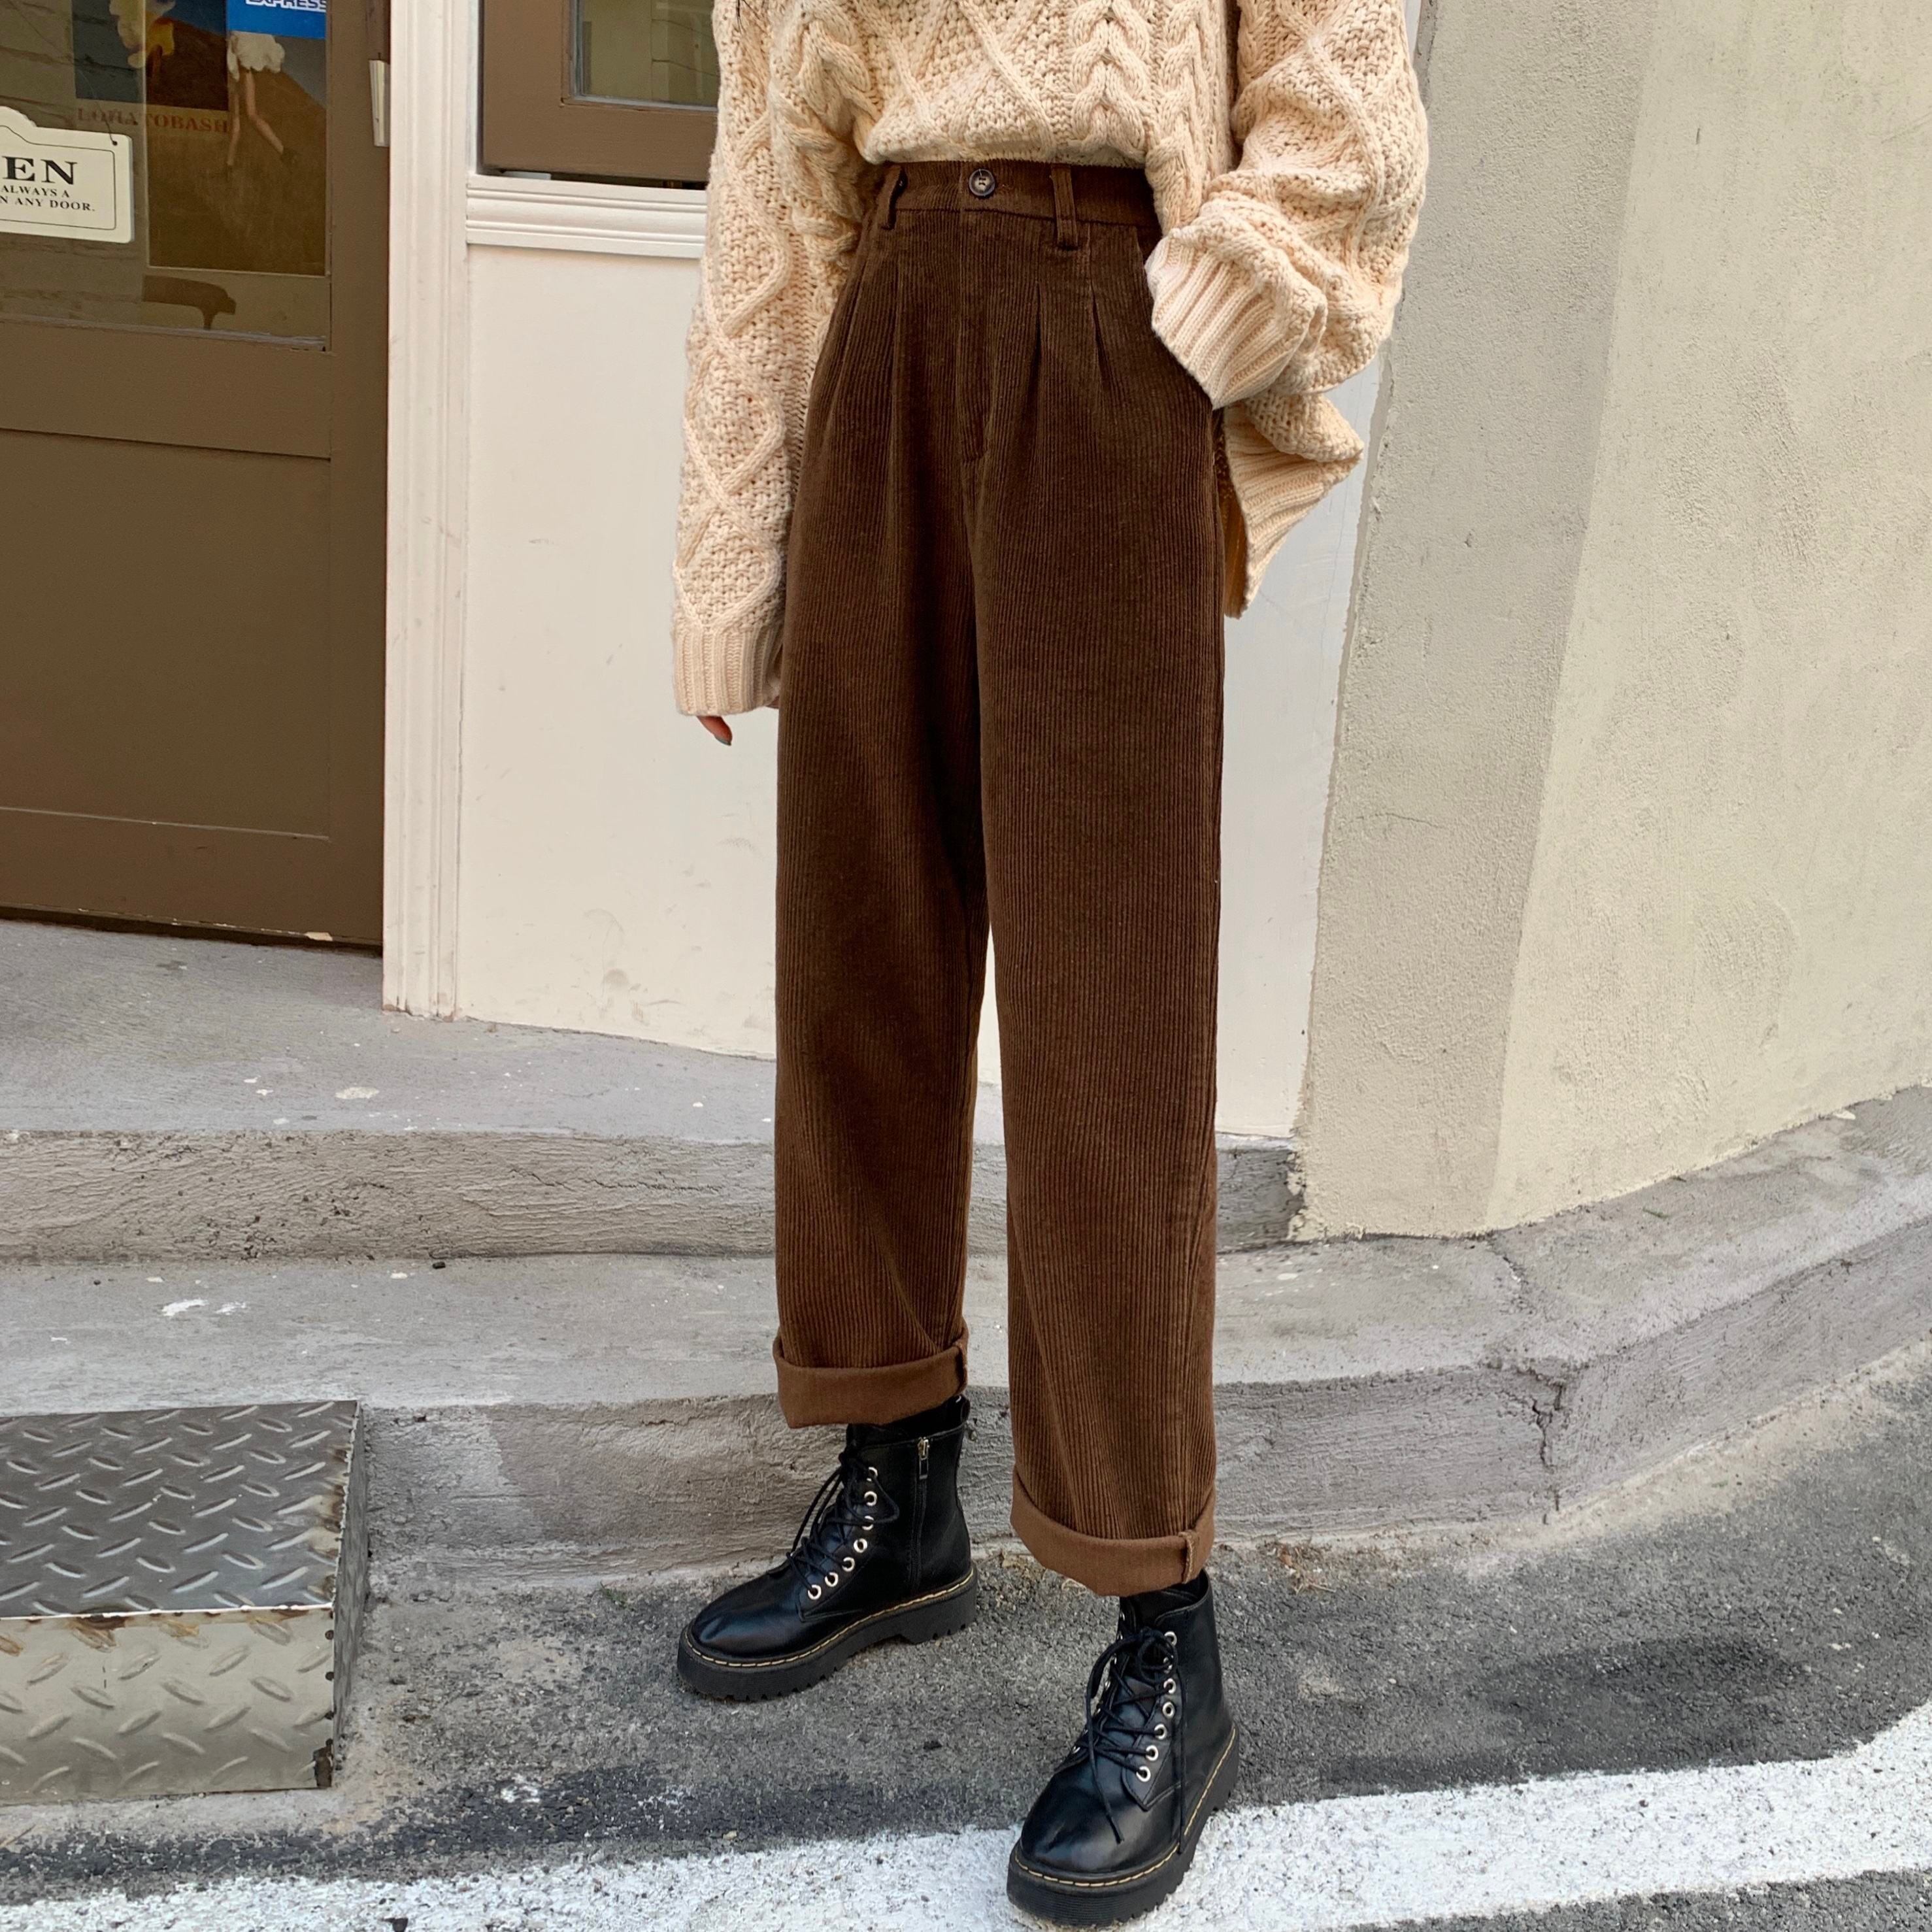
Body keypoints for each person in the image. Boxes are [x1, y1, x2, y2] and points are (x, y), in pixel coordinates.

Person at [668, 0, 1425, 1917]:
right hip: (883, 340)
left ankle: (1162, 1620)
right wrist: (731, 554)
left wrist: (1201, 311)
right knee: (860, 960)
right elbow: (772, 188)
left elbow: (1343, 95)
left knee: (1110, 1017)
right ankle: (895, 1477)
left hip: (1108, 325)